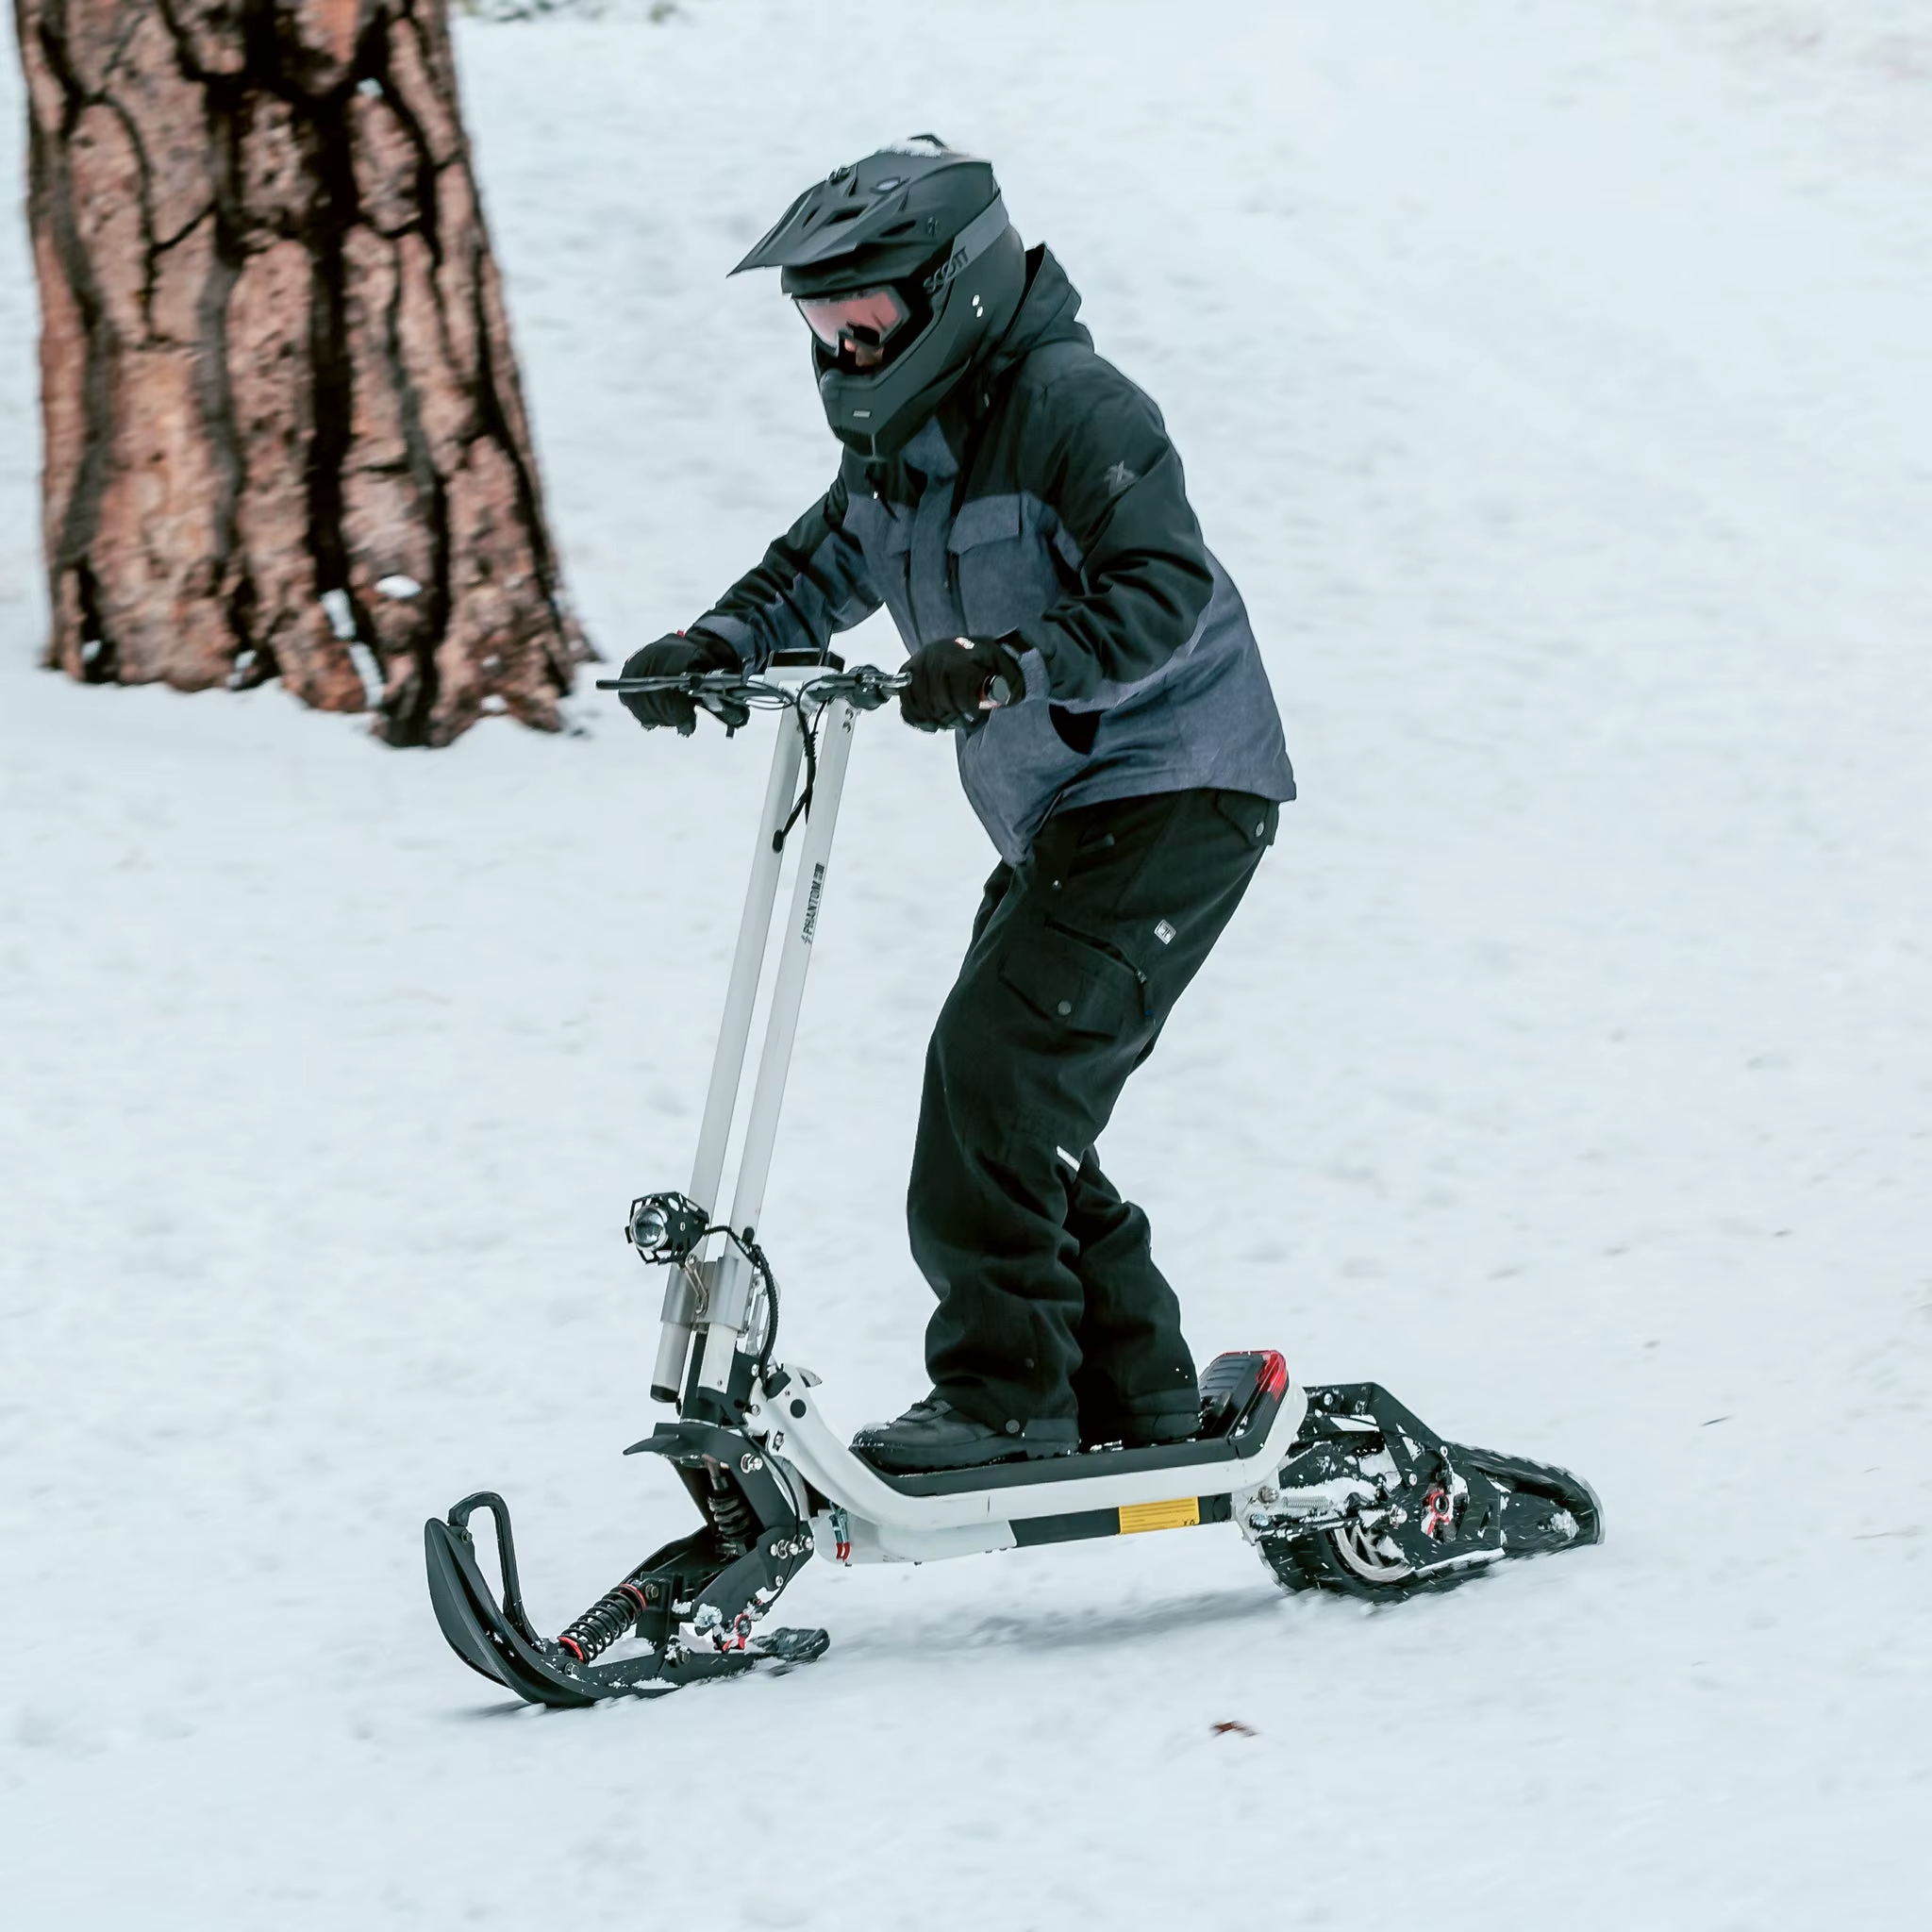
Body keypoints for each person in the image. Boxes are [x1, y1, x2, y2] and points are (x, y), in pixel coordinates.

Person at [622, 138, 1295, 1474]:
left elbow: (1160, 587)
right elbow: (819, 567)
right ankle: (1135, 1386)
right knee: (1009, 1095)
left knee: (999, 1073)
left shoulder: (1075, 408)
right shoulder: (902, 447)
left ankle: (1007, 1399)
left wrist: (1013, 664)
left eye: (863, 318)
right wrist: (714, 644)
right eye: (822, 324)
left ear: (957, 289)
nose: (843, 350)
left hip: (1177, 788)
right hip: (1069, 814)